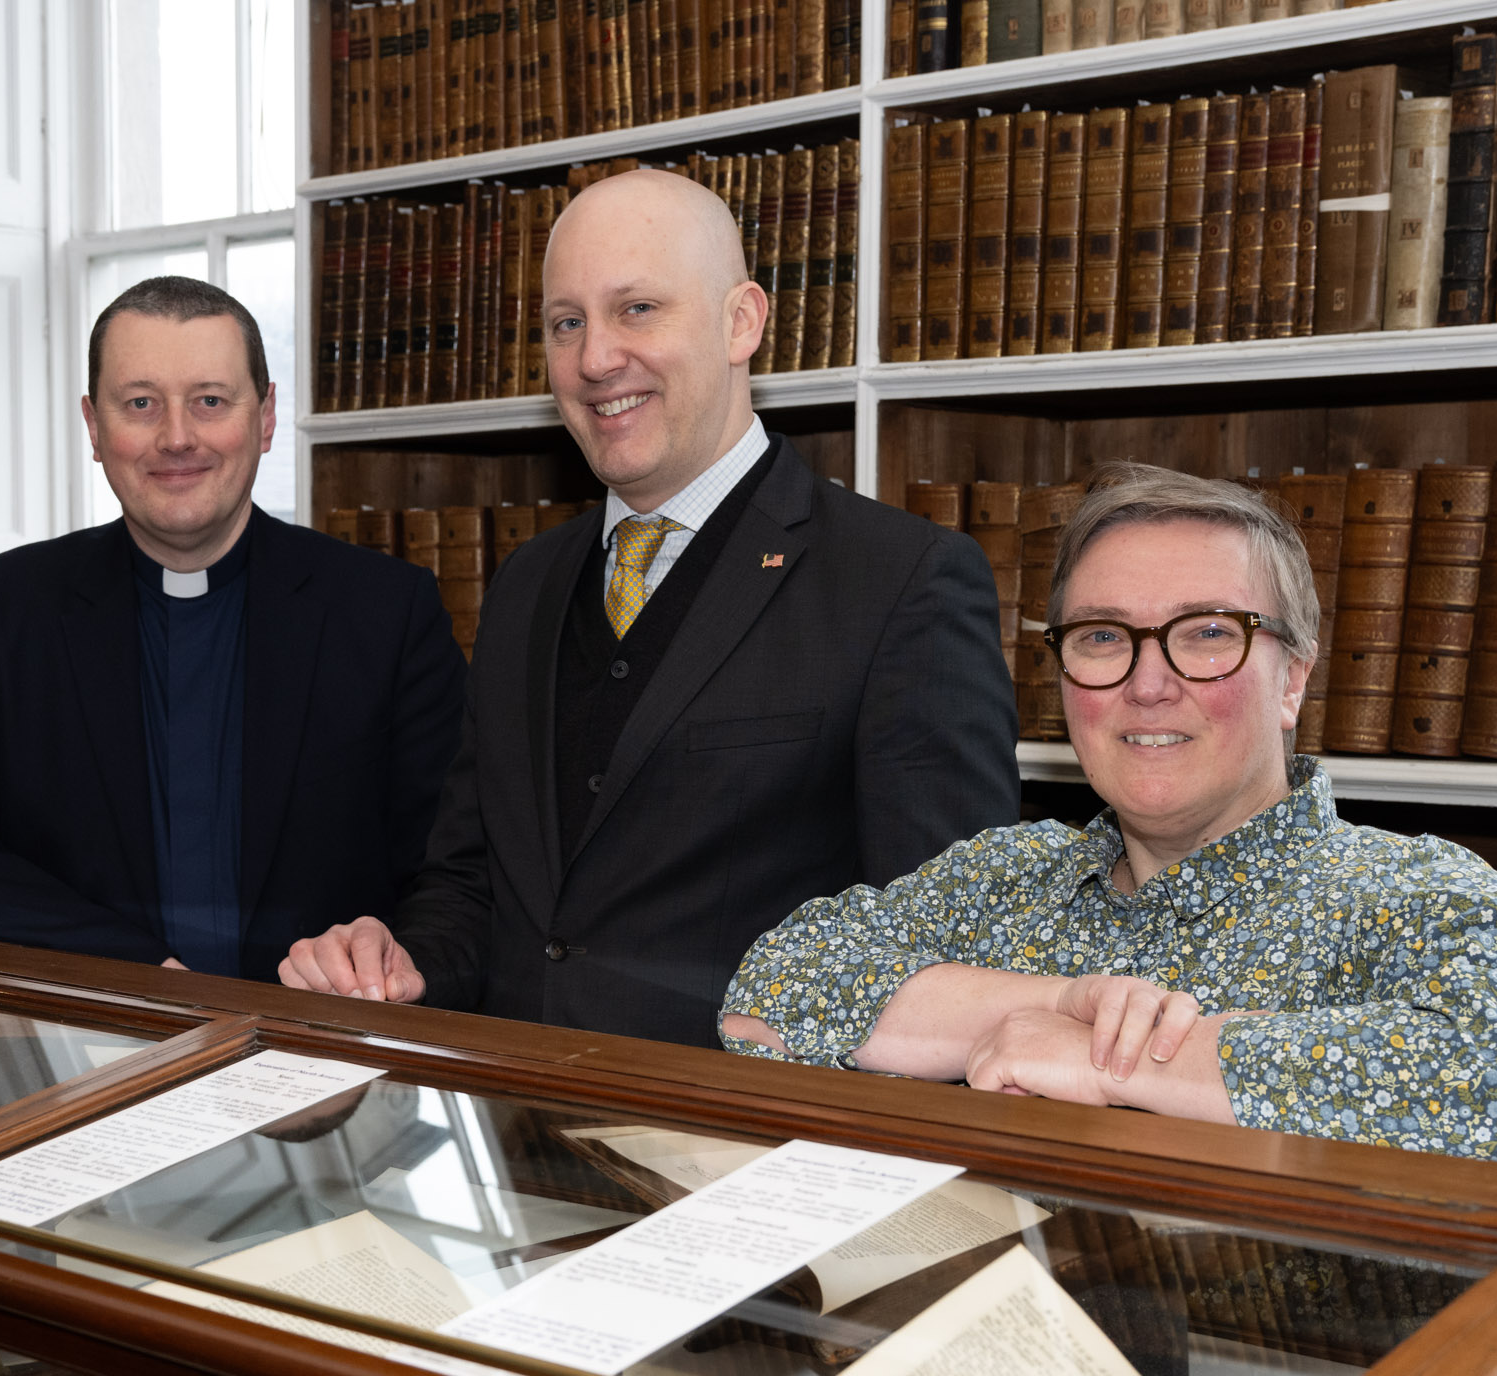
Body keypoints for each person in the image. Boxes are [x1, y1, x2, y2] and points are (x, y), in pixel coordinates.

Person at [277, 169, 1018, 1045]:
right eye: (566, 323)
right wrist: (401, 966)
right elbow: (473, 887)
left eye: (637, 309)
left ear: (742, 321)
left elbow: (953, 945)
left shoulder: (903, 582)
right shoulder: (525, 586)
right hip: (516, 1128)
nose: (595, 359)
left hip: (750, 1149)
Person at [720, 464, 1497, 1169]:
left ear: (1292, 679)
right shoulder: (1000, 878)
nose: (1147, 682)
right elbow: (768, 997)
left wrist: (1118, 1061)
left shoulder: (1430, 900)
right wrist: (1045, 1007)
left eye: (1208, 633)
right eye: (1102, 636)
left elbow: (1488, 1088)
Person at [0, 277, 465, 981]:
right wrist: (129, 967)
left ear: (265, 417)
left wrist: (393, 957)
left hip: (324, 1051)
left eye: (210, 401)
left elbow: (458, 869)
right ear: (94, 426)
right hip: (87, 1044)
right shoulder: (2, 611)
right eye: (141, 404)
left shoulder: (386, 612)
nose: (176, 438)